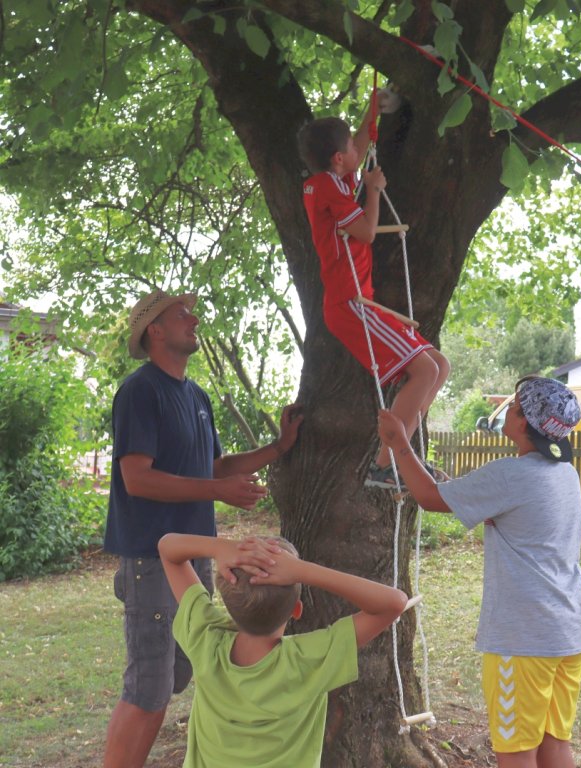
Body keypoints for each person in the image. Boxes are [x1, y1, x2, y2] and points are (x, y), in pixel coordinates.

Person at [102, 289, 303, 768]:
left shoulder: (195, 395)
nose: (193, 320)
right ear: (154, 330)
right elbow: (137, 477)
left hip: (191, 560)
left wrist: (278, 447)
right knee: (149, 686)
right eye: (182, 314)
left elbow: (214, 466)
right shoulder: (140, 391)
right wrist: (217, 492)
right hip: (152, 559)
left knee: (177, 673)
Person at [378, 375, 581, 768]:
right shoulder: (566, 475)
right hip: (568, 632)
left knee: (516, 753)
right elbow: (516, 516)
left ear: (524, 423)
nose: (507, 412)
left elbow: (427, 498)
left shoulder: (511, 474)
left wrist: (398, 442)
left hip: (523, 641)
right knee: (554, 746)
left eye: (512, 407)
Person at [158, 530, 407, 768]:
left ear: (227, 601)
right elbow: (394, 603)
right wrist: (302, 570)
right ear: (296, 610)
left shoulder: (205, 638)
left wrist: (221, 547)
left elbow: (168, 548)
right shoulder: (308, 659)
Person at [297, 111, 449, 489]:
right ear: (338, 158)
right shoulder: (331, 188)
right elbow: (365, 232)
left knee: (439, 366)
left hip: (357, 300)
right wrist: (375, 190)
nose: (357, 148)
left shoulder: (330, 180)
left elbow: (361, 144)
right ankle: (386, 464)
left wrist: (374, 108)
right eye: (349, 146)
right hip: (350, 303)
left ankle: (398, 458)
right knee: (426, 371)